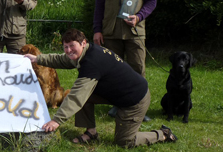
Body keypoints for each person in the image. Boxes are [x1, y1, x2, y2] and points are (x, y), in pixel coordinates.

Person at [24, 28, 177, 148]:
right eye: (65, 47)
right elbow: (62, 59)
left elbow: (77, 96)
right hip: (117, 94)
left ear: (83, 43)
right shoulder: (86, 52)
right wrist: (38, 59)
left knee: (125, 141)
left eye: (72, 46)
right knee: (86, 96)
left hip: (135, 99)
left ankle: (163, 134)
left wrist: (56, 120)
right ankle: (91, 132)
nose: (69, 50)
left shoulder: (91, 63)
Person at [92, 0, 156, 120]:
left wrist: (139, 16)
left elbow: (151, 1)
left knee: (137, 68)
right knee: (113, 70)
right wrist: (97, 30)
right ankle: (116, 105)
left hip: (135, 32)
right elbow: (99, 6)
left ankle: (139, 109)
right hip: (110, 32)